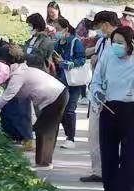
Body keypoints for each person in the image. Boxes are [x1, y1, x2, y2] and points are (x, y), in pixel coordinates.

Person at [0, 45, 69, 170]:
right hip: (58, 94)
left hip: (56, 96)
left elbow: (6, 97)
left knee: (45, 129)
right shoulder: (21, 70)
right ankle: (43, 162)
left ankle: (44, 163)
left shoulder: (19, 75)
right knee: (44, 128)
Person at [91, 26, 134, 191]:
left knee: (128, 156)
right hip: (108, 108)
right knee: (108, 156)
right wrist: (97, 93)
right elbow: (96, 80)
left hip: (129, 108)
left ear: (130, 44)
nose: (116, 46)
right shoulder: (108, 55)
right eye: (114, 42)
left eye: (120, 43)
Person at [80, 11, 120, 183]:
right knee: (94, 133)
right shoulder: (102, 41)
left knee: (111, 134)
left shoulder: (121, 40)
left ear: (105, 24)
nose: (98, 30)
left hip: (114, 94)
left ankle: (110, 169)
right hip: (97, 93)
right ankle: (98, 169)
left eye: (99, 26)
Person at [54, 18, 86, 149]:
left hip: (73, 82)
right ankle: (68, 135)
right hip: (60, 80)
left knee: (69, 110)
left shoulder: (75, 42)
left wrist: (66, 63)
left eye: (58, 29)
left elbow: (81, 59)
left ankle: (71, 138)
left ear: (66, 28)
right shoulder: (57, 43)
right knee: (60, 110)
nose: (56, 32)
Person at [76, 10, 98, 105]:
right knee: (83, 75)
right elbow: (79, 39)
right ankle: (83, 95)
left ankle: (89, 92)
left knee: (91, 75)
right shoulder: (82, 26)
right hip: (84, 51)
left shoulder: (96, 27)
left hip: (93, 51)